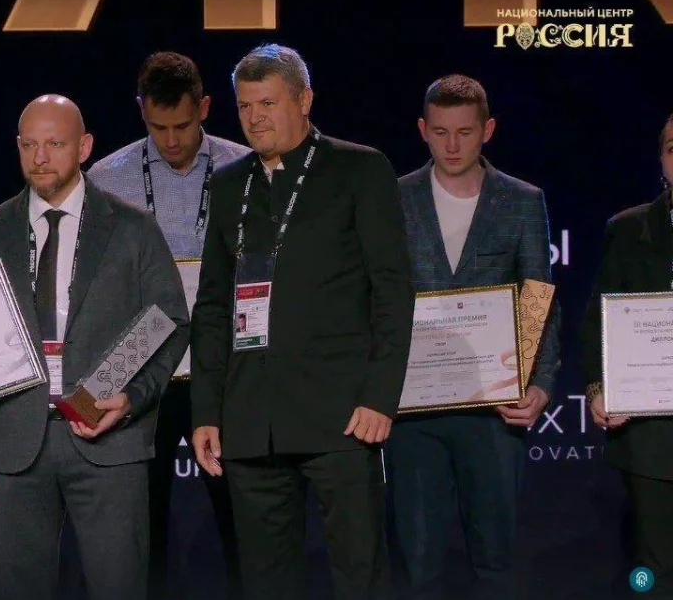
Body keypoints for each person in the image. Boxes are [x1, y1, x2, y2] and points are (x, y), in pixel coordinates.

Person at [190, 43, 414, 600]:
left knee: (360, 578)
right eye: (245, 106)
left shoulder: (360, 169)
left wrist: (380, 397)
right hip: (251, 420)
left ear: (305, 99)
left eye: (268, 103)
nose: (255, 118)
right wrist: (207, 410)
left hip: (343, 416)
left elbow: (392, 291)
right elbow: (213, 306)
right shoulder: (228, 184)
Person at [0, 94, 190, 600]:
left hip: (107, 436)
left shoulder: (132, 228)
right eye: (29, 145)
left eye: (55, 144)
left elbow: (168, 321)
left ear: (84, 147)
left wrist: (132, 396)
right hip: (12, 440)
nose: (40, 157)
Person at [386, 74, 561, 600]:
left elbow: (537, 297)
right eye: (440, 132)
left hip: (494, 409)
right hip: (414, 412)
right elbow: (376, 296)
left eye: (464, 132)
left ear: (488, 129)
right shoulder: (393, 198)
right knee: (416, 565)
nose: (452, 145)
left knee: (495, 562)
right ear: (423, 129)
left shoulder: (522, 200)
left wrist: (541, 384)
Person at [86, 51, 247, 600]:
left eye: (183, 125)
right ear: (141, 112)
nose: (172, 141)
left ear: (204, 107)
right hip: (142, 374)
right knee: (140, 525)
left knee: (239, 519)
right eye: (158, 128)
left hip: (222, 370)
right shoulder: (106, 178)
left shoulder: (243, 168)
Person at [581, 113, 673, 598]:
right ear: (661, 159)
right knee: (655, 570)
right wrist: (600, 388)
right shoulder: (629, 229)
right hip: (653, 436)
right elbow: (599, 319)